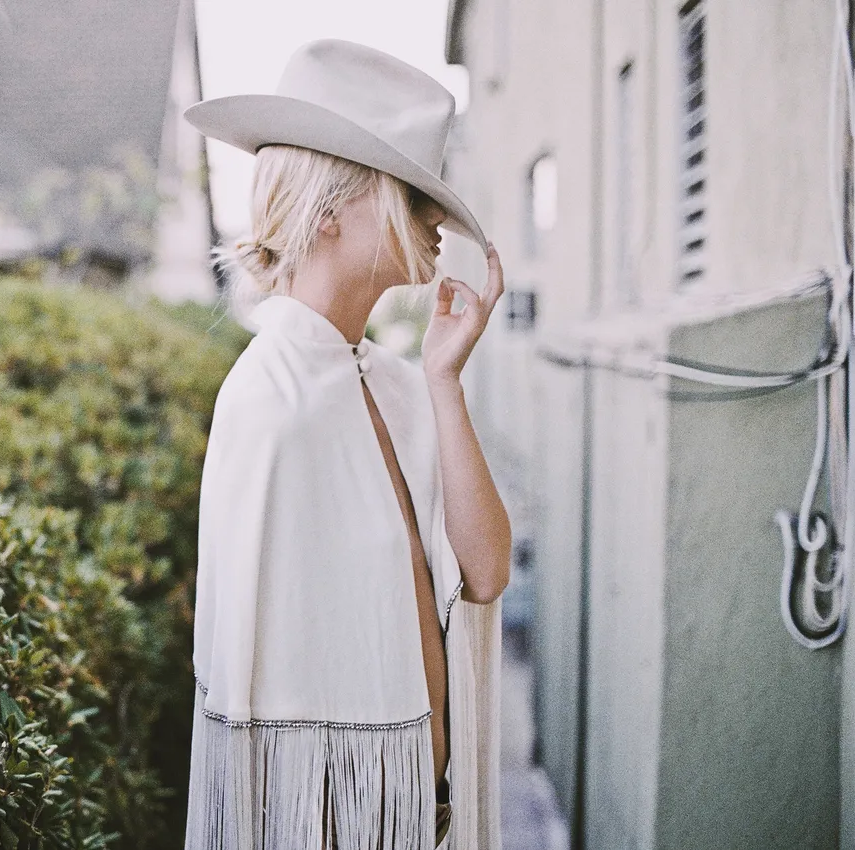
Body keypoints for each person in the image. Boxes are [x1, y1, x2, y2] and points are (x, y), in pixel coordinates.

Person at [181, 39, 511, 849]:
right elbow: (253, 701)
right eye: (411, 192)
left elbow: (486, 573)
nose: (435, 220)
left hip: (427, 817)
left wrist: (444, 382)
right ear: (328, 207)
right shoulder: (267, 403)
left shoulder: (398, 383)